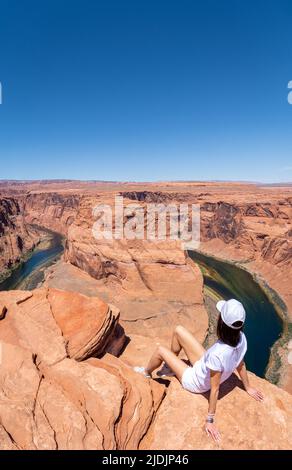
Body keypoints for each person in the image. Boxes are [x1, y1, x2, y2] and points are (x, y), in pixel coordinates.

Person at [134, 298, 264, 443]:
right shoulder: (241, 339)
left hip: (195, 381)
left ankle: (145, 373)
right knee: (178, 330)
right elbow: (241, 364)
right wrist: (248, 387)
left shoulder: (217, 354)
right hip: (203, 365)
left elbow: (214, 389)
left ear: (222, 323)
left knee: (160, 351)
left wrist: (210, 420)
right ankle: (171, 366)